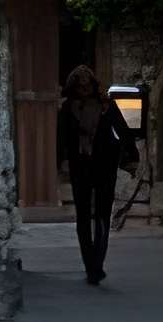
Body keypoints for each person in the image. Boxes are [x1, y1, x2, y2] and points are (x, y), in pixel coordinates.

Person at [57, 66, 139, 285]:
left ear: (93, 85)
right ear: (74, 87)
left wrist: (131, 157)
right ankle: (89, 265)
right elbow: (62, 138)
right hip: (80, 165)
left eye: (87, 84)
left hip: (104, 164)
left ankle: (98, 264)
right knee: (83, 217)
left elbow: (123, 130)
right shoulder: (67, 109)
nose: (84, 88)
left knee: (102, 214)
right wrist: (60, 162)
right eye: (80, 85)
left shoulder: (106, 106)